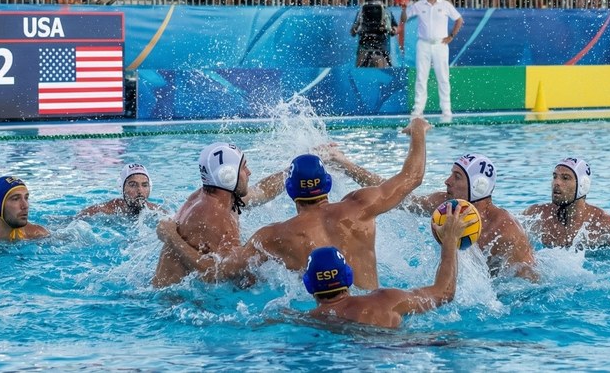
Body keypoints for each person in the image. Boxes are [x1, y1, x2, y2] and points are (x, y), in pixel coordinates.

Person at [156, 118, 428, 290]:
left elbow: (221, 271)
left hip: (326, 321)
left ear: (290, 190)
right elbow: (412, 177)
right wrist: (418, 130)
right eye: (245, 168)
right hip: (371, 308)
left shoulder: (274, 236)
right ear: (328, 183)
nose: (250, 173)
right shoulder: (362, 206)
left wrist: (170, 236)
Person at [326, 148, 538, 280]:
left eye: (457, 177)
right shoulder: (445, 204)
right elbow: (396, 196)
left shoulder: (506, 229)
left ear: (479, 186)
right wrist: (346, 166)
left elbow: (530, 283)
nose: (447, 181)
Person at [301, 203, 465, 329]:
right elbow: (444, 292)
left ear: (308, 285)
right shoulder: (386, 300)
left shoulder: (306, 320)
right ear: (348, 276)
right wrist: (450, 239)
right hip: (403, 349)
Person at [152, 142, 286, 287]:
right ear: (227, 175)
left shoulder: (219, 196)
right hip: (173, 300)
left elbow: (263, 191)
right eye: (244, 167)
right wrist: (172, 237)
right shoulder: (213, 215)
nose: (249, 172)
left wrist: (292, 171)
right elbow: (216, 274)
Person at [523, 158, 610, 249]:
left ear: (583, 185)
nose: (556, 182)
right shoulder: (536, 215)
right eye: (555, 177)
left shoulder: (605, 225)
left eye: (565, 178)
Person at [401, 0, 463, 121]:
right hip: (423, 44)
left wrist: (451, 36)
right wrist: (404, 8)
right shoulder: (419, 5)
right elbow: (404, 19)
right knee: (421, 77)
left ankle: (446, 110)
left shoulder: (446, 5)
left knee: (443, 77)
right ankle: (418, 110)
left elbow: (459, 20)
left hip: (440, 44)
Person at [77, 163, 163, 218]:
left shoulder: (157, 212)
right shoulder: (104, 211)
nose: (140, 190)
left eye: (144, 185)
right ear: (122, 188)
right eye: (133, 185)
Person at [351, 0, 397, 67]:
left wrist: (359, 29)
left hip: (367, 49)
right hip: (378, 50)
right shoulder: (387, 12)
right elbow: (393, 32)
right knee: (383, 76)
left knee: (359, 75)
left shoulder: (361, 12)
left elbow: (353, 32)